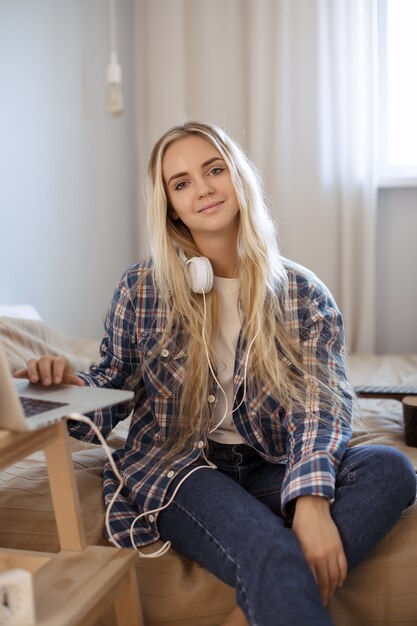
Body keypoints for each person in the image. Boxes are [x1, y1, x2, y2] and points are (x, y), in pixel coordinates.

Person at [15, 122, 416, 626]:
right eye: (181, 183)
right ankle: (273, 583)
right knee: (271, 550)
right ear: (170, 207)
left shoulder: (301, 293)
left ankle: (251, 613)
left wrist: (311, 499)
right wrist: (66, 389)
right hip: (180, 469)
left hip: (270, 461)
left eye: (213, 170)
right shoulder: (142, 289)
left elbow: (323, 404)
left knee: (390, 469)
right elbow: (112, 389)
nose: (201, 188)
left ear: (238, 179)